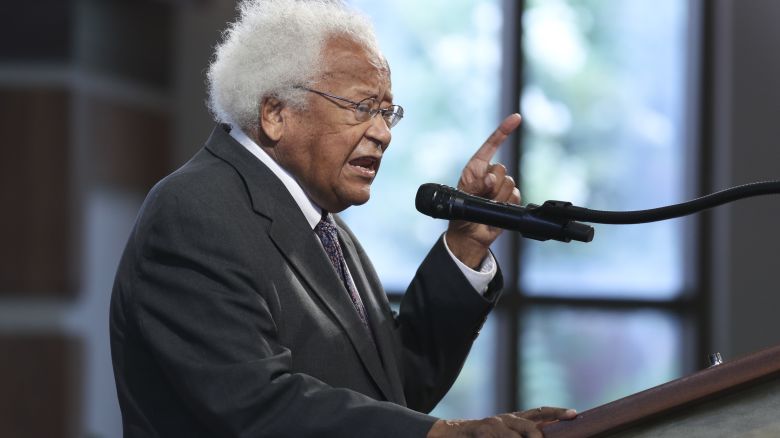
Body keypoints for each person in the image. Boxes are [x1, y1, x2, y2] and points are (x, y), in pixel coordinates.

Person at [110, 0, 576, 436]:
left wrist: (466, 245)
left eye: (387, 112)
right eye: (362, 108)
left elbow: (391, 388)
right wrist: (437, 434)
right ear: (275, 112)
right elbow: (253, 403)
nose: (382, 133)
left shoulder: (324, 225)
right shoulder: (194, 211)